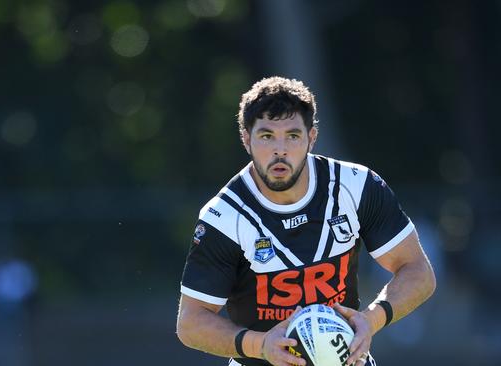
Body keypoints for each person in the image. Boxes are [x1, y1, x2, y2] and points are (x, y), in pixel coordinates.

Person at [176, 76, 436, 366]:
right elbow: (191, 322)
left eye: (293, 135)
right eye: (266, 136)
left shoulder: (355, 186)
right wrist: (261, 345)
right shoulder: (225, 217)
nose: (280, 149)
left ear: (311, 138)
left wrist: (371, 321)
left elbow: (418, 271)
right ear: (246, 139)